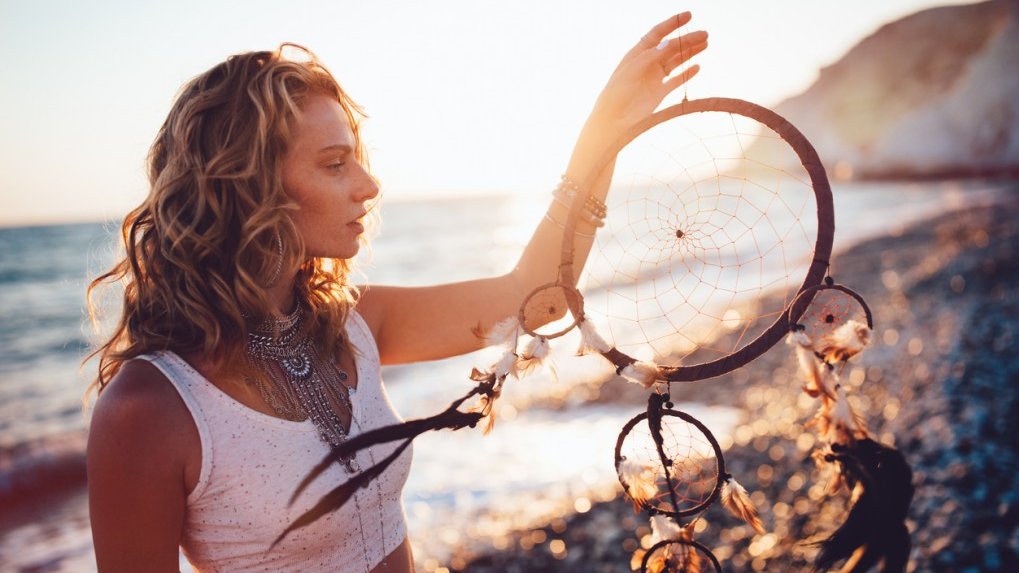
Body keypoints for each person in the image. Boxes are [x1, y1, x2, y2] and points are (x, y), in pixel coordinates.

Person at [85, 13, 707, 573]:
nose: (369, 184)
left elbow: (536, 298)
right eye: (334, 165)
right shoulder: (150, 409)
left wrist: (602, 140)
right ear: (247, 189)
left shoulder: (353, 322)